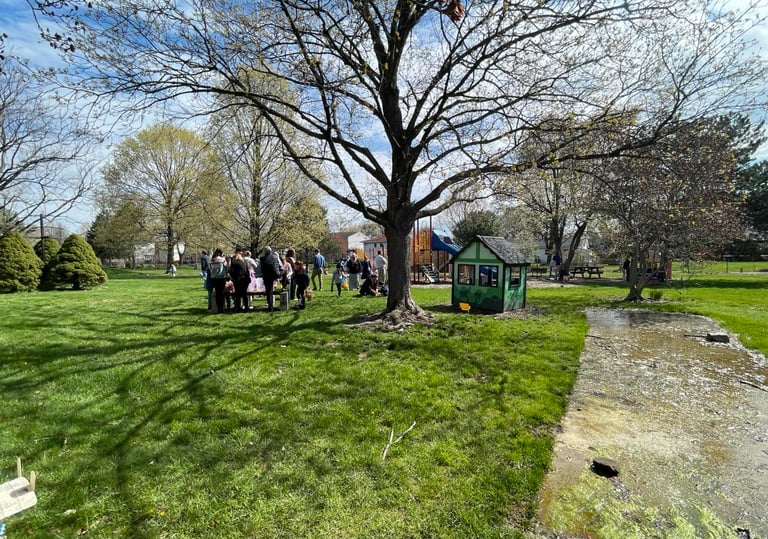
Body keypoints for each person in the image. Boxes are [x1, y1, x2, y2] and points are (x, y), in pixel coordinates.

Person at [260, 246, 283, 312]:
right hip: (276, 274)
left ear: (264, 252)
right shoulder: (275, 257)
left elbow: (261, 268)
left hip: (267, 276)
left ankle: (270, 307)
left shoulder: (262, 259)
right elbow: (280, 265)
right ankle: (284, 285)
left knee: (269, 291)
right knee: (285, 271)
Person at [208, 248, 228, 314]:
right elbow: (226, 266)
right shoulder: (222, 259)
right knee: (222, 293)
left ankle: (218, 308)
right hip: (221, 277)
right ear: (220, 253)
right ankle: (222, 308)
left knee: (217, 293)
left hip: (214, 278)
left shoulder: (212, 260)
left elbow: (210, 268)